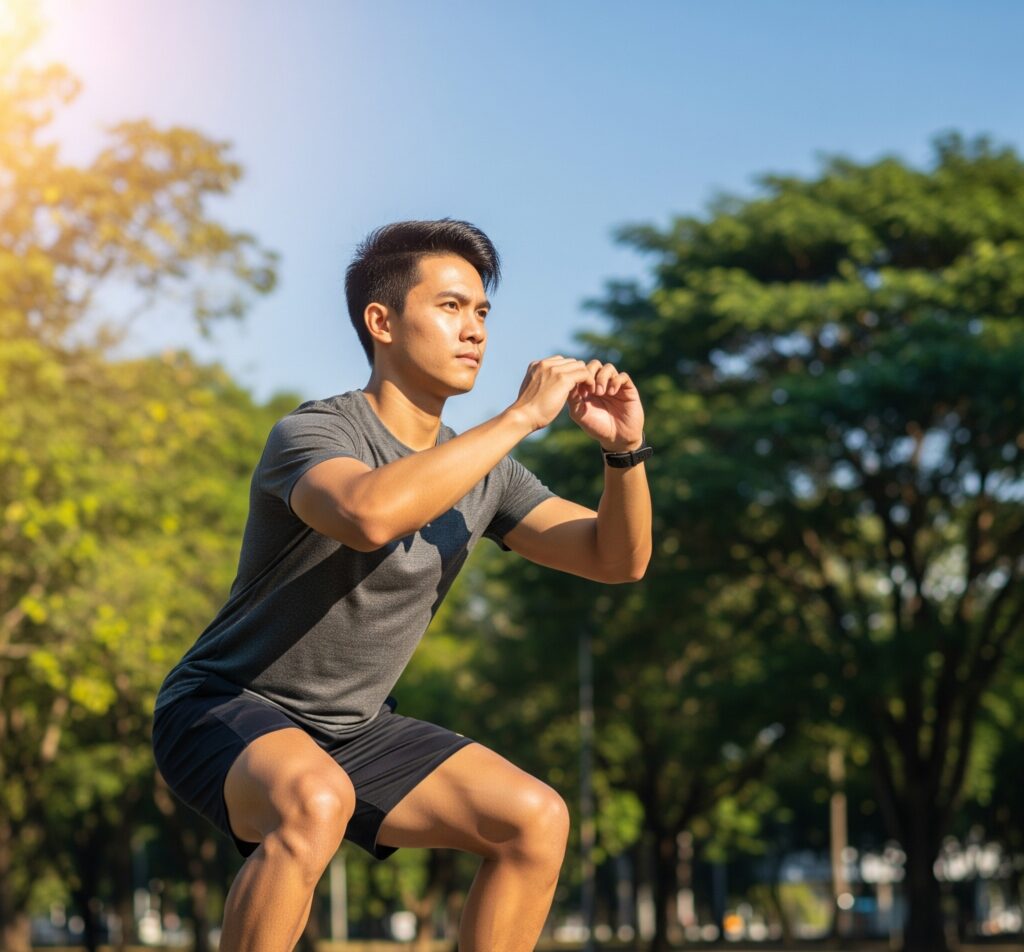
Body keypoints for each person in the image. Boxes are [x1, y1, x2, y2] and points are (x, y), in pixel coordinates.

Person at [151, 218, 652, 952]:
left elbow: (617, 558)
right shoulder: (316, 434)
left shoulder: (488, 474)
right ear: (381, 321)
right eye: (451, 307)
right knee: (316, 801)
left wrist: (626, 454)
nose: (474, 329)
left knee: (534, 819)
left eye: (482, 312)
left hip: (354, 730)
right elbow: (368, 513)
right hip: (226, 705)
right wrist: (519, 417)